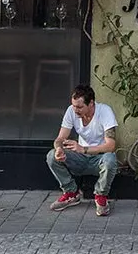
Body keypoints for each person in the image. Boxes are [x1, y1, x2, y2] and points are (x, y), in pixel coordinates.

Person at [48, 84, 119, 216]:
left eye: (80, 107)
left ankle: (101, 196)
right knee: (51, 156)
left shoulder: (105, 111)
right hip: (80, 159)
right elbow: (60, 139)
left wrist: (83, 149)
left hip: (99, 158)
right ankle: (71, 192)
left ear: (91, 103)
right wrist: (59, 150)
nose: (75, 110)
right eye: (74, 106)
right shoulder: (71, 111)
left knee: (110, 159)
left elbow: (111, 145)